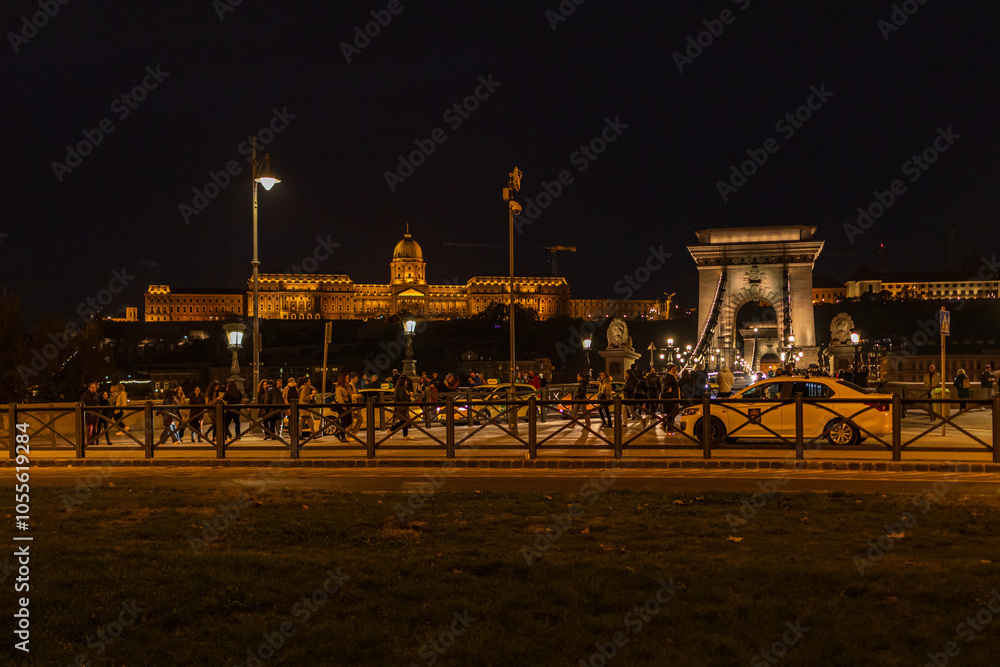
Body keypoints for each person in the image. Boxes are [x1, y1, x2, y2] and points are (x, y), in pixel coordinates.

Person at [388, 373, 415, 439]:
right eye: (406, 381)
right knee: (405, 420)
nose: (406, 382)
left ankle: (405, 435)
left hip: (402, 406)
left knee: (405, 420)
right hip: (401, 406)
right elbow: (401, 397)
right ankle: (391, 429)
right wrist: (409, 396)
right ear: (404, 381)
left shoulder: (401, 387)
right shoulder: (400, 388)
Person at [660, 365, 680, 433]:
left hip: (673, 396)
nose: (674, 370)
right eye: (673, 369)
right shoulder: (670, 377)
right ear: (669, 370)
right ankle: (667, 425)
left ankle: (669, 427)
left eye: (675, 369)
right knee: (674, 411)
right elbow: (667, 385)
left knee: (672, 412)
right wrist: (668, 389)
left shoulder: (671, 376)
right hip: (672, 397)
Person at [334, 373, 353, 442]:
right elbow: (339, 398)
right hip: (341, 406)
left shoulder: (348, 386)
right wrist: (343, 406)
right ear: (343, 379)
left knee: (349, 420)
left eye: (348, 378)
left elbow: (350, 395)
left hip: (348, 404)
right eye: (347, 378)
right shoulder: (339, 388)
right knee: (344, 421)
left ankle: (339, 432)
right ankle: (343, 437)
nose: (348, 379)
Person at [81, 381, 101, 446]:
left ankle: (93, 441)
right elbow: (82, 403)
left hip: (96, 413)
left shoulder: (97, 395)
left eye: (95, 387)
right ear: (89, 388)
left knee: (95, 428)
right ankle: (89, 441)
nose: (94, 389)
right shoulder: (85, 396)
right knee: (89, 428)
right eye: (93, 387)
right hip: (88, 414)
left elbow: (99, 403)